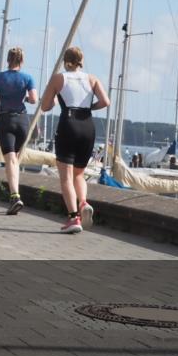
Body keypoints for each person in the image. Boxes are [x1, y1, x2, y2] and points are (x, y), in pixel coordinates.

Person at [39, 46, 110, 234]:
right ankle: (84, 202)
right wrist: (89, 108)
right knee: (79, 174)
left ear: (65, 61)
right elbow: (105, 101)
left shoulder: (58, 78)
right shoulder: (92, 79)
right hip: (87, 125)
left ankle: (73, 218)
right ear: (81, 61)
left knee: (66, 177)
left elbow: (45, 106)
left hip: (68, 124)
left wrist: (54, 100)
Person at [0, 47, 37, 215]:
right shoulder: (27, 78)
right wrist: (24, 98)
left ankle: (15, 196)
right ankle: (15, 195)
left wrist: (1, 96)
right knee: (15, 159)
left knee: (10, 160)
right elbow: (34, 99)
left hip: (6, 120)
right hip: (22, 121)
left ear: (8, 60)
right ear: (22, 61)